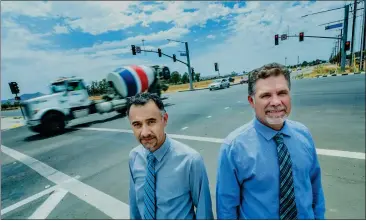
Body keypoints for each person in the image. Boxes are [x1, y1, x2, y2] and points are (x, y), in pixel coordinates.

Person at [216, 63, 326, 219]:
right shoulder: (234, 147)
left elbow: (316, 190)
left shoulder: (304, 135)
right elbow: (226, 208)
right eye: (266, 95)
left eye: (282, 93)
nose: (276, 102)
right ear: (251, 101)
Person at [127, 92, 214, 220]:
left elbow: (204, 213)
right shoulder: (134, 157)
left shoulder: (190, 161)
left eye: (151, 122)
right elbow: (135, 209)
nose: (145, 133)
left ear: (165, 120)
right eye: (137, 125)